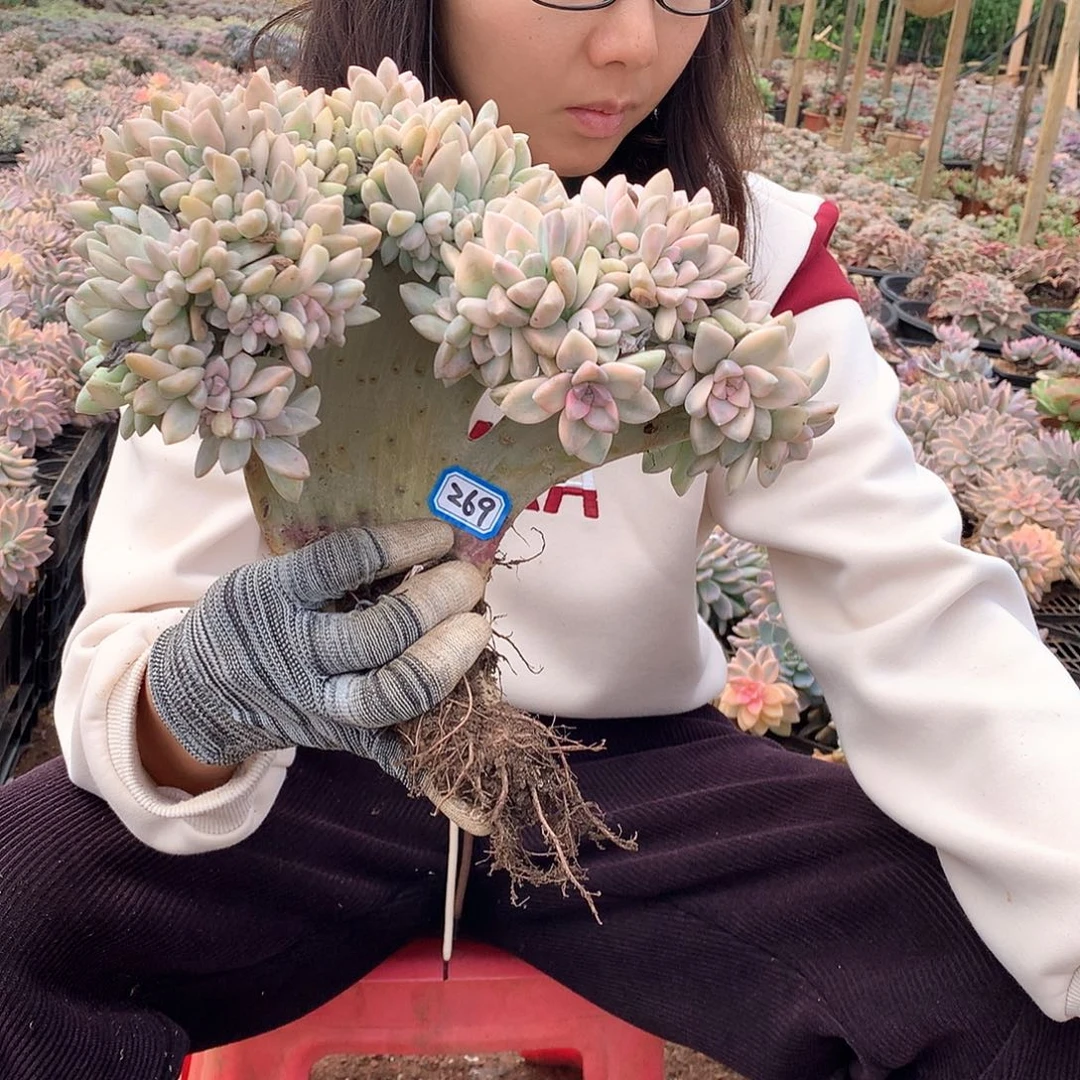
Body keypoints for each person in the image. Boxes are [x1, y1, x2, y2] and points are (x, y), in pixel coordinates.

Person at [2, 1, 1079, 1078]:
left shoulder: (754, 259)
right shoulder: (253, 222)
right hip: (304, 768)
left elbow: (916, 610)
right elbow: (128, 658)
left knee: (1002, 986)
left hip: (628, 787)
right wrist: (200, 698)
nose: (632, 46)